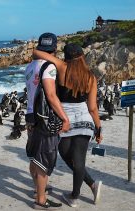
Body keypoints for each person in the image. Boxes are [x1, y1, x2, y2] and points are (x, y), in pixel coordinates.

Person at [33, 42, 103, 208]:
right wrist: (99, 128)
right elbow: (92, 107)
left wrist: (52, 55)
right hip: (85, 120)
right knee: (78, 160)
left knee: (66, 155)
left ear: (66, 56)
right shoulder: (90, 76)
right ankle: (89, 187)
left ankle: (75, 195)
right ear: (82, 56)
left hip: (64, 119)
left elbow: (36, 52)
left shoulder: (61, 66)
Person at [25, 32, 70, 210]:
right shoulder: (49, 67)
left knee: (34, 156)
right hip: (44, 118)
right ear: (55, 48)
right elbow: (51, 96)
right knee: (44, 158)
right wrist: (64, 118)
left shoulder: (29, 67)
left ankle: (38, 190)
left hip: (30, 116)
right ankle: (41, 200)